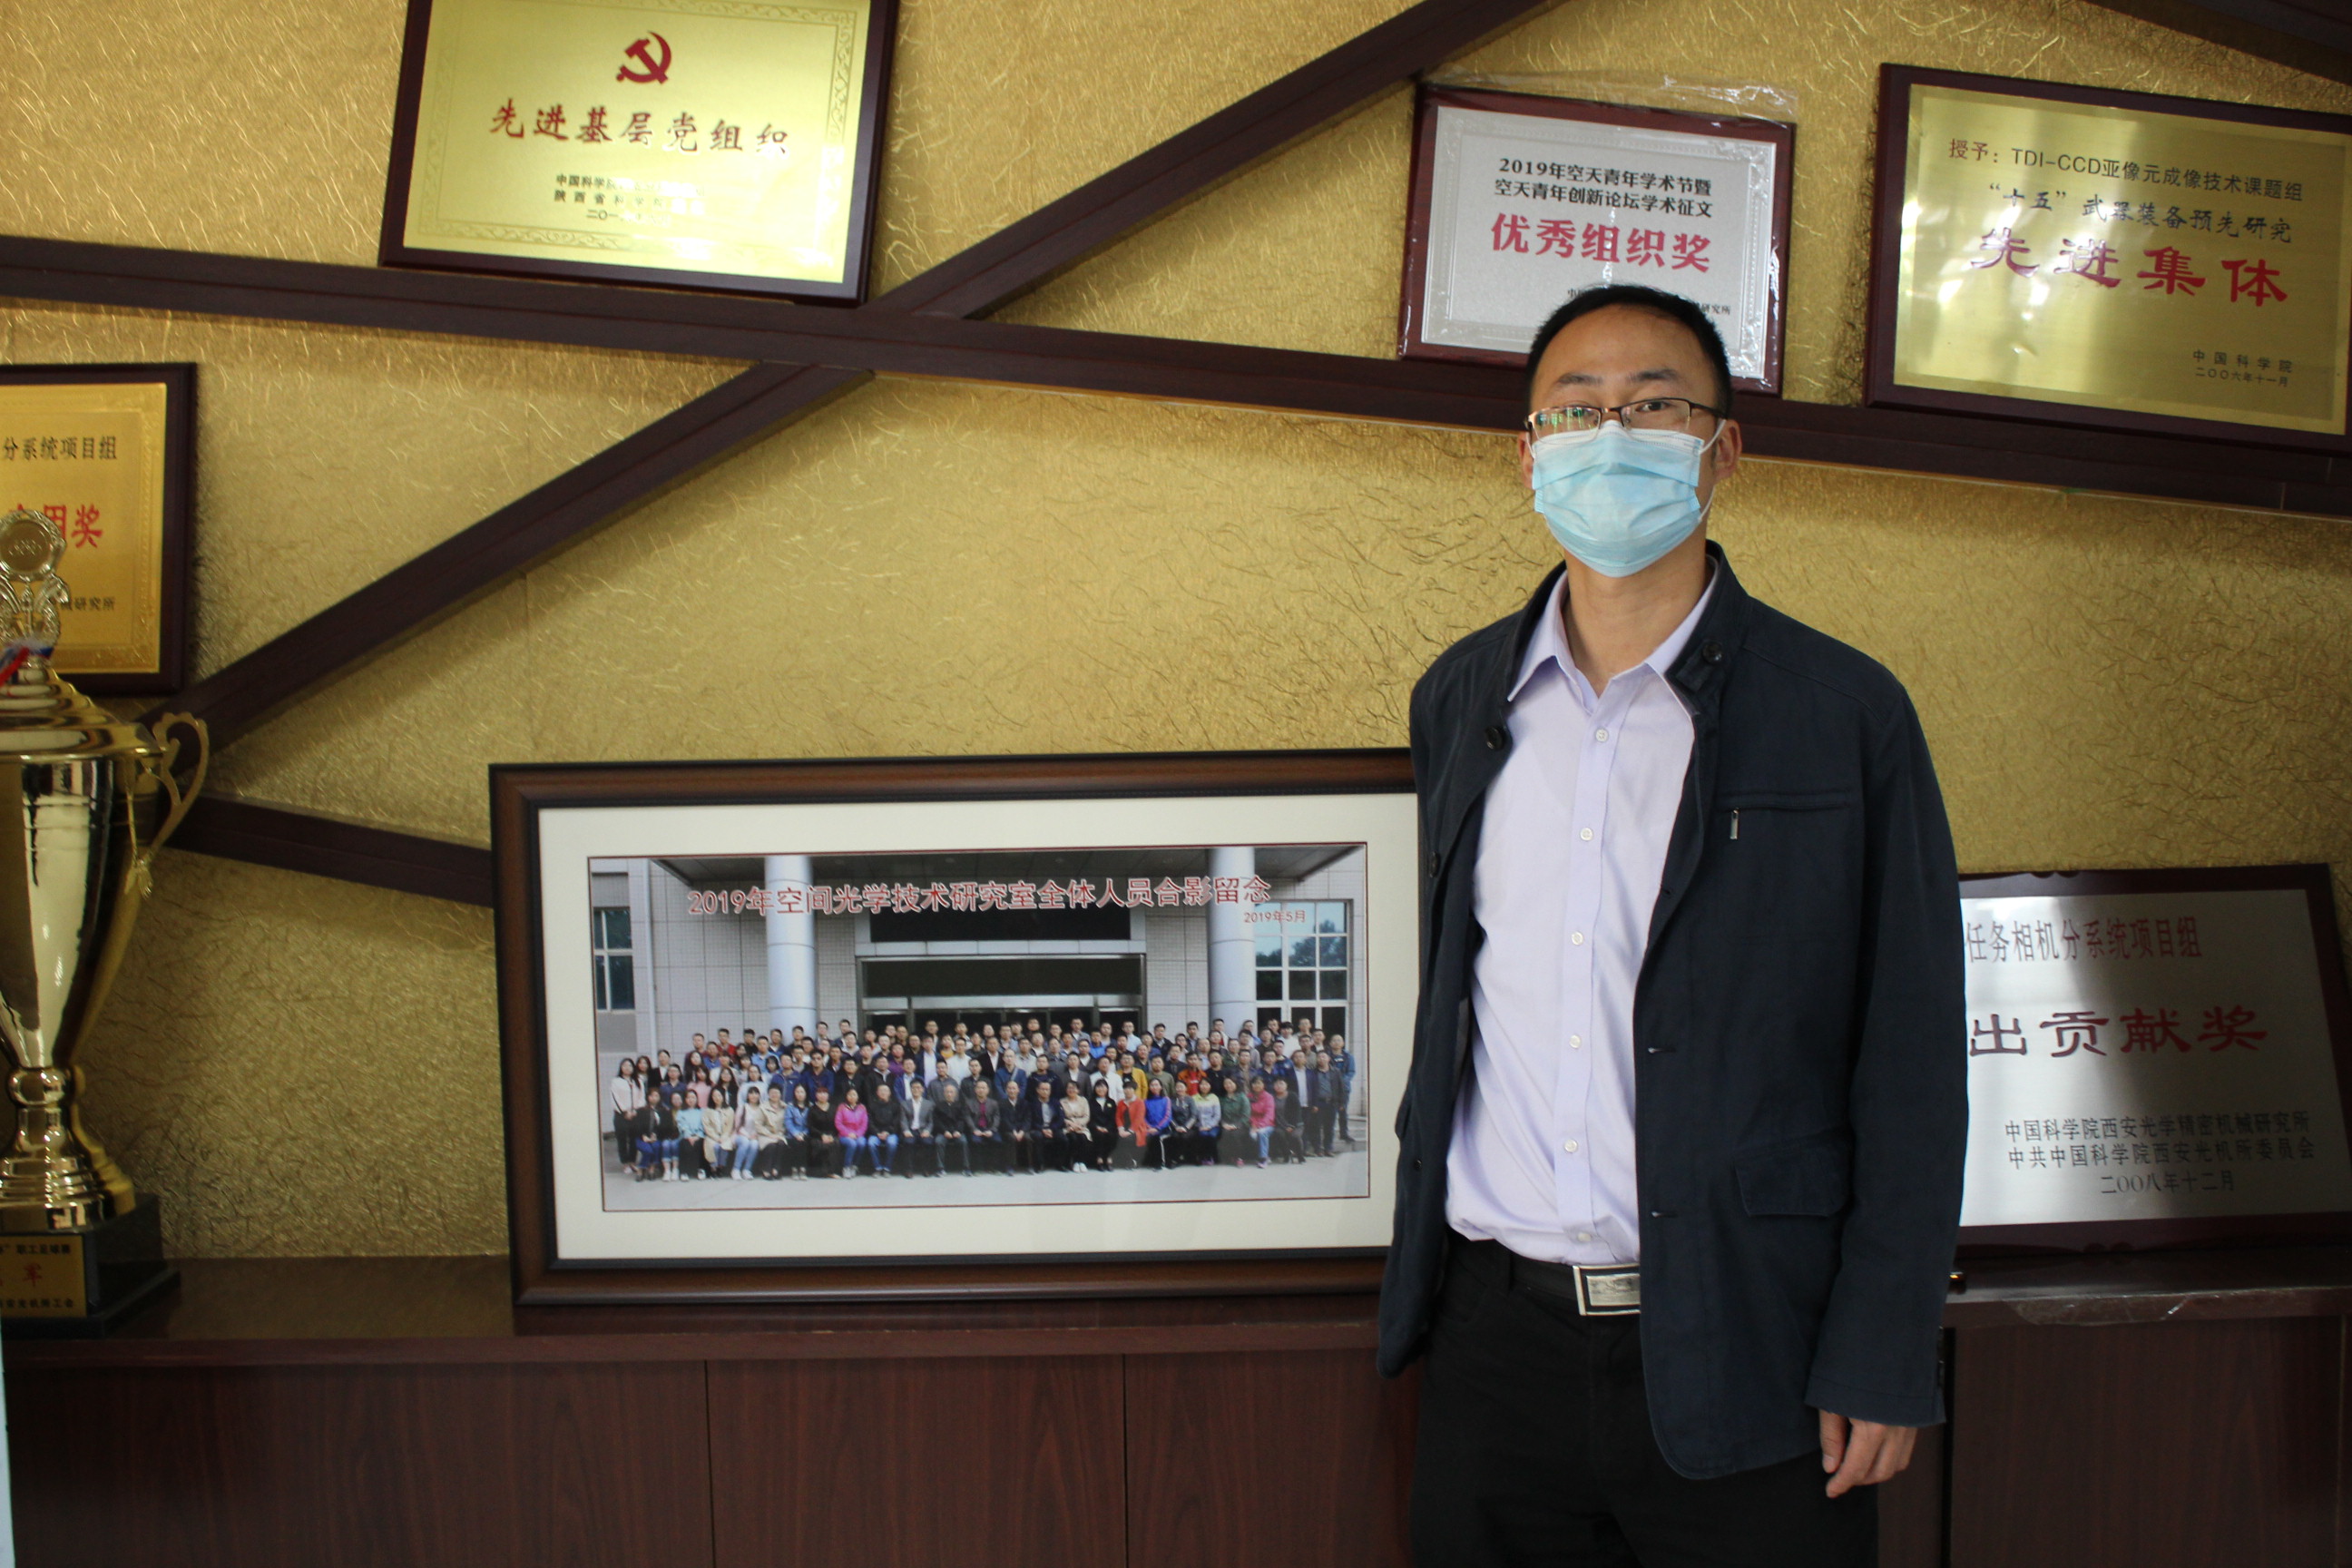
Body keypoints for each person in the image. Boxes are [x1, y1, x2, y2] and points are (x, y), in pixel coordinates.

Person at [1384, 283, 1965, 1568]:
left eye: (1654, 406)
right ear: (1528, 456)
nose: (1611, 437)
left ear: (1723, 450)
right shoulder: (1462, 698)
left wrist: (1884, 1343)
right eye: (1576, 409)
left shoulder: (1843, 714)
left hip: (1755, 1339)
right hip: (1496, 1344)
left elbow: (1913, 1054)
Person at [1014, 1077, 1060, 1172]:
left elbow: (1060, 1119)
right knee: (1038, 1137)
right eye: (1042, 1089)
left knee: (1063, 1139)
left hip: (1052, 1128)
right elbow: (1031, 1120)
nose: (1045, 1091)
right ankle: (1039, 1164)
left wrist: (1051, 1129)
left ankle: (1061, 1164)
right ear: (1038, 1090)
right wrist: (1042, 1129)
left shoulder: (1055, 1102)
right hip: (1037, 1128)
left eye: (1047, 1089)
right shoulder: (1032, 1104)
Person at [640, 1090, 681, 1181]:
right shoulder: (642, 1110)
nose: (654, 1098)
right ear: (647, 1097)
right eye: (651, 1096)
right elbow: (638, 1126)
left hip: (659, 1136)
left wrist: (656, 1135)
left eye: (656, 1096)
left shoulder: (664, 1110)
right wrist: (644, 1136)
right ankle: (644, 1168)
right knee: (649, 1148)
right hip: (644, 1137)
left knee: (657, 1145)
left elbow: (666, 1127)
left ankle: (654, 1168)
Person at [965, 1077, 1004, 1174]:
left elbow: (997, 1117)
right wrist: (974, 1129)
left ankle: (993, 1167)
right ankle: (977, 1168)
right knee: (975, 1141)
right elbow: (967, 1117)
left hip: (989, 1128)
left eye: (983, 1088)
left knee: (997, 1141)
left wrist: (992, 1130)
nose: (981, 1090)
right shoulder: (969, 1103)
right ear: (975, 1090)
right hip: (976, 1128)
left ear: (988, 1090)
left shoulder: (994, 1103)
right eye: (979, 1088)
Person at [610, 1059, 643, 1168]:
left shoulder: (638, 1081)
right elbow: (615, 1098)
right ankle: (625, 1163)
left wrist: (635, 1110)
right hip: (621, 1114)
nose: (627, 1068)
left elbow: (642, 1097)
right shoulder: (616, 1081)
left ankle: (632, 1161)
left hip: (635, 1114)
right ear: (621, 1068)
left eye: (630, 1065)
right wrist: (625, 1111)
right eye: (624, 1065)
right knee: (622, 1139)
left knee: (634, 1139)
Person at [936, 1081, 972, 1175]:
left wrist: (958, 1131)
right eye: (947, 1092)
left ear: (955, 1094)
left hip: (957, 1132)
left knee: (964, 1141)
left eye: (951, 1092)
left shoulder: (961, 1105)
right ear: (944, 1093)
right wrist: (945, 1131)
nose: (949, 1094)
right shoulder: (939, 1105)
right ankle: (940, 1168)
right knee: (938, 1141)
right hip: (943, 1132)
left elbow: (962, 1120)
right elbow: (937, 1121)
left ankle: (966, 1168)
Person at [867, 1082, 904, 1175]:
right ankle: (878, 1168)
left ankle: (887, 1168)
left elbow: (896, 1122)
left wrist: (888, 1132)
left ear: (890, 1093)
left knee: (892, 1144)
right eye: (881, 1091)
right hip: (876, 1133)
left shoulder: (895, 1105)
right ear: (877, 1093)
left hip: (890, 1133)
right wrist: (877, 1133)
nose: (883, 1092)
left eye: (885, 1090)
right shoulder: (872, 1105)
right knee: (871, 1143)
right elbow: (870, 1122)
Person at [834, 1088, 870, 1178]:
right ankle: (846, 1167)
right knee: (852, 1144)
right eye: (850, 1094)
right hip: (844, 1135)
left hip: (858, 1134)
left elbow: (864, 1124)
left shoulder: (862, 1108)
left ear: (857, 1097)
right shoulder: (842, 1107)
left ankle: (854, 1166)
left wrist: (857, 1134)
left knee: (862, 1143)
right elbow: (838, 1123)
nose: (852, 1097)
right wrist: (848, 1134)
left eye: (854, 1094)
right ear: (846, 1096)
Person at [701, 1088, 737, 1177]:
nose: (717, 1098)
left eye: (719, 1095)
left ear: (723, 1096)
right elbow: (707, 1126)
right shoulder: (708, 1110)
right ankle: (713, 1168)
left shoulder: (729, 1110)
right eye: (714, 1096)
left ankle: (720, 1167)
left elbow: (730, 1126)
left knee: (724, 1146)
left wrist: (723, 1137)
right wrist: (715, 1137)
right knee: (714, 1147)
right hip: (712, 1136)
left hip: (725, 1135)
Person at [1269, 1079, 1305, 1164]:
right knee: (1278, 1133)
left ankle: (1300, 1157)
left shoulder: (1292, 1095)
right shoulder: (1272, 1097)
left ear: (1286, 1085)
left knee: (1295, 1136)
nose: (1279, 1086)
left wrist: (1292, 1126)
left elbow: (1297, 1112)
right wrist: (1284, 1126)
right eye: (1276, 1084)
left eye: (1281, 1084)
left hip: (1296, 1124)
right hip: (1280, 1124)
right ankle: (1286, 1155)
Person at [807, 1088, 841, 1179]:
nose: (822, 1095)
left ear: (828, 1095)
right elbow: (810, 1126)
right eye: (820, 1093)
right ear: (816, 1095)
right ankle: (821, 1172)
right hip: (817, 1135)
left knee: (835, 1143)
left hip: (831, 1134)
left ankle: (832, 1171)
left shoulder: (834, 1108)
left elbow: (837, 1123)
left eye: (824, 1093)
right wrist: (821, 1135)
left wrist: (831, 1136)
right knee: (819, 1145)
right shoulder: (812, 1109)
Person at [675, 1090, 708, 1179]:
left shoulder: (701, 1111)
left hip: (699, 1135)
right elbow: (682, 1125)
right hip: (686, 1136)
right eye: (688, 1098)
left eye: (693, 1097)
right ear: (685, 1099)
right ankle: (684, 1172)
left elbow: (703, 1125)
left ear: (697, 1099)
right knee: (685, 1146)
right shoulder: (681, 1112)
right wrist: (689, 1136)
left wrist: (697, 1136)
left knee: (700, 1145)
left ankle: (700, 1169)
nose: (691, 1100)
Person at [1190, 1080, 1221, 1168]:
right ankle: (1202, 1157)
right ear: (1199, 1086)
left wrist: (1209, 1126)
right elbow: (1193, 1114)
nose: (1204, 1086)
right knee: (1203, 1135)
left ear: (1210, 1086)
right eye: (1202, 1084)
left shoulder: (1214, 1098)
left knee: (1211, 1135)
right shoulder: (1194, 1098)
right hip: (1199, 1125)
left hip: (1213, 1125)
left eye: (1206, 1084)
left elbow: (1217, 1116)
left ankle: (1211, 1157)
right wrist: (1199, 1125)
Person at [1247, 1078, 1275, 1168]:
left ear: (1263, 1085)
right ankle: (1262, 1155)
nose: (1257, 1085)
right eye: (1254, 1083)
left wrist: (1259, 1126)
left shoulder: (1269, 1097)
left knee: (1261, 1133)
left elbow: (1269, 1115)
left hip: (1268, 1124)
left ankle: (1263, 1159)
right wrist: (1253, 1124)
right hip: (1253, 1124)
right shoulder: (1249, 1097)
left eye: (1259, 1083)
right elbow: (1248, 1113)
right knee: (1253, 1135)